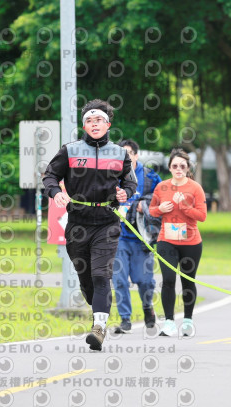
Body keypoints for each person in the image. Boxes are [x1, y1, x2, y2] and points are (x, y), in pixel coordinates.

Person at [43, 99, 137, 351]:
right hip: (78, 224)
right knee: (86, 280)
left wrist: (125, 193)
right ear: (84, 126)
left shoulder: (119, 153)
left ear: (108, 124)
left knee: (101, 274)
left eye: (99, 120)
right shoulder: (70, 150)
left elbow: (130, 183)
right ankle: (98, 311)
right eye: (89, 121)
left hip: (107, 222)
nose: (94, 124)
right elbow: (50, 175)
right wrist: (55, 192)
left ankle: (99, 328)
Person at [149, 148, 207, 337]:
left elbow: (202, 216)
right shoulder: (161, 187)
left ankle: (188, 320)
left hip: (191, 243)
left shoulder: (195, 188)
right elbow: (151, 210)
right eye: (175, 166)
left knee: (187, 281)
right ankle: (169, 322)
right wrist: (160, 209)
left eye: (182, 166)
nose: (178, 169)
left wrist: (185, 206)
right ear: (170, 168)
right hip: (167, 241)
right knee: (168, 280)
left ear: (188, 168)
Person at [112, 139, 162, 333]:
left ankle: (148, 307)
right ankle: (125, 319)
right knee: (119, 280)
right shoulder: (111, 176)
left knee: (144, 280)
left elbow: (161, 200)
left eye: (128, 154)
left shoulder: (150, 177)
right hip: (118, 237)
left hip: (142, 237)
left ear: (136, 155)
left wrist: (145, 205)